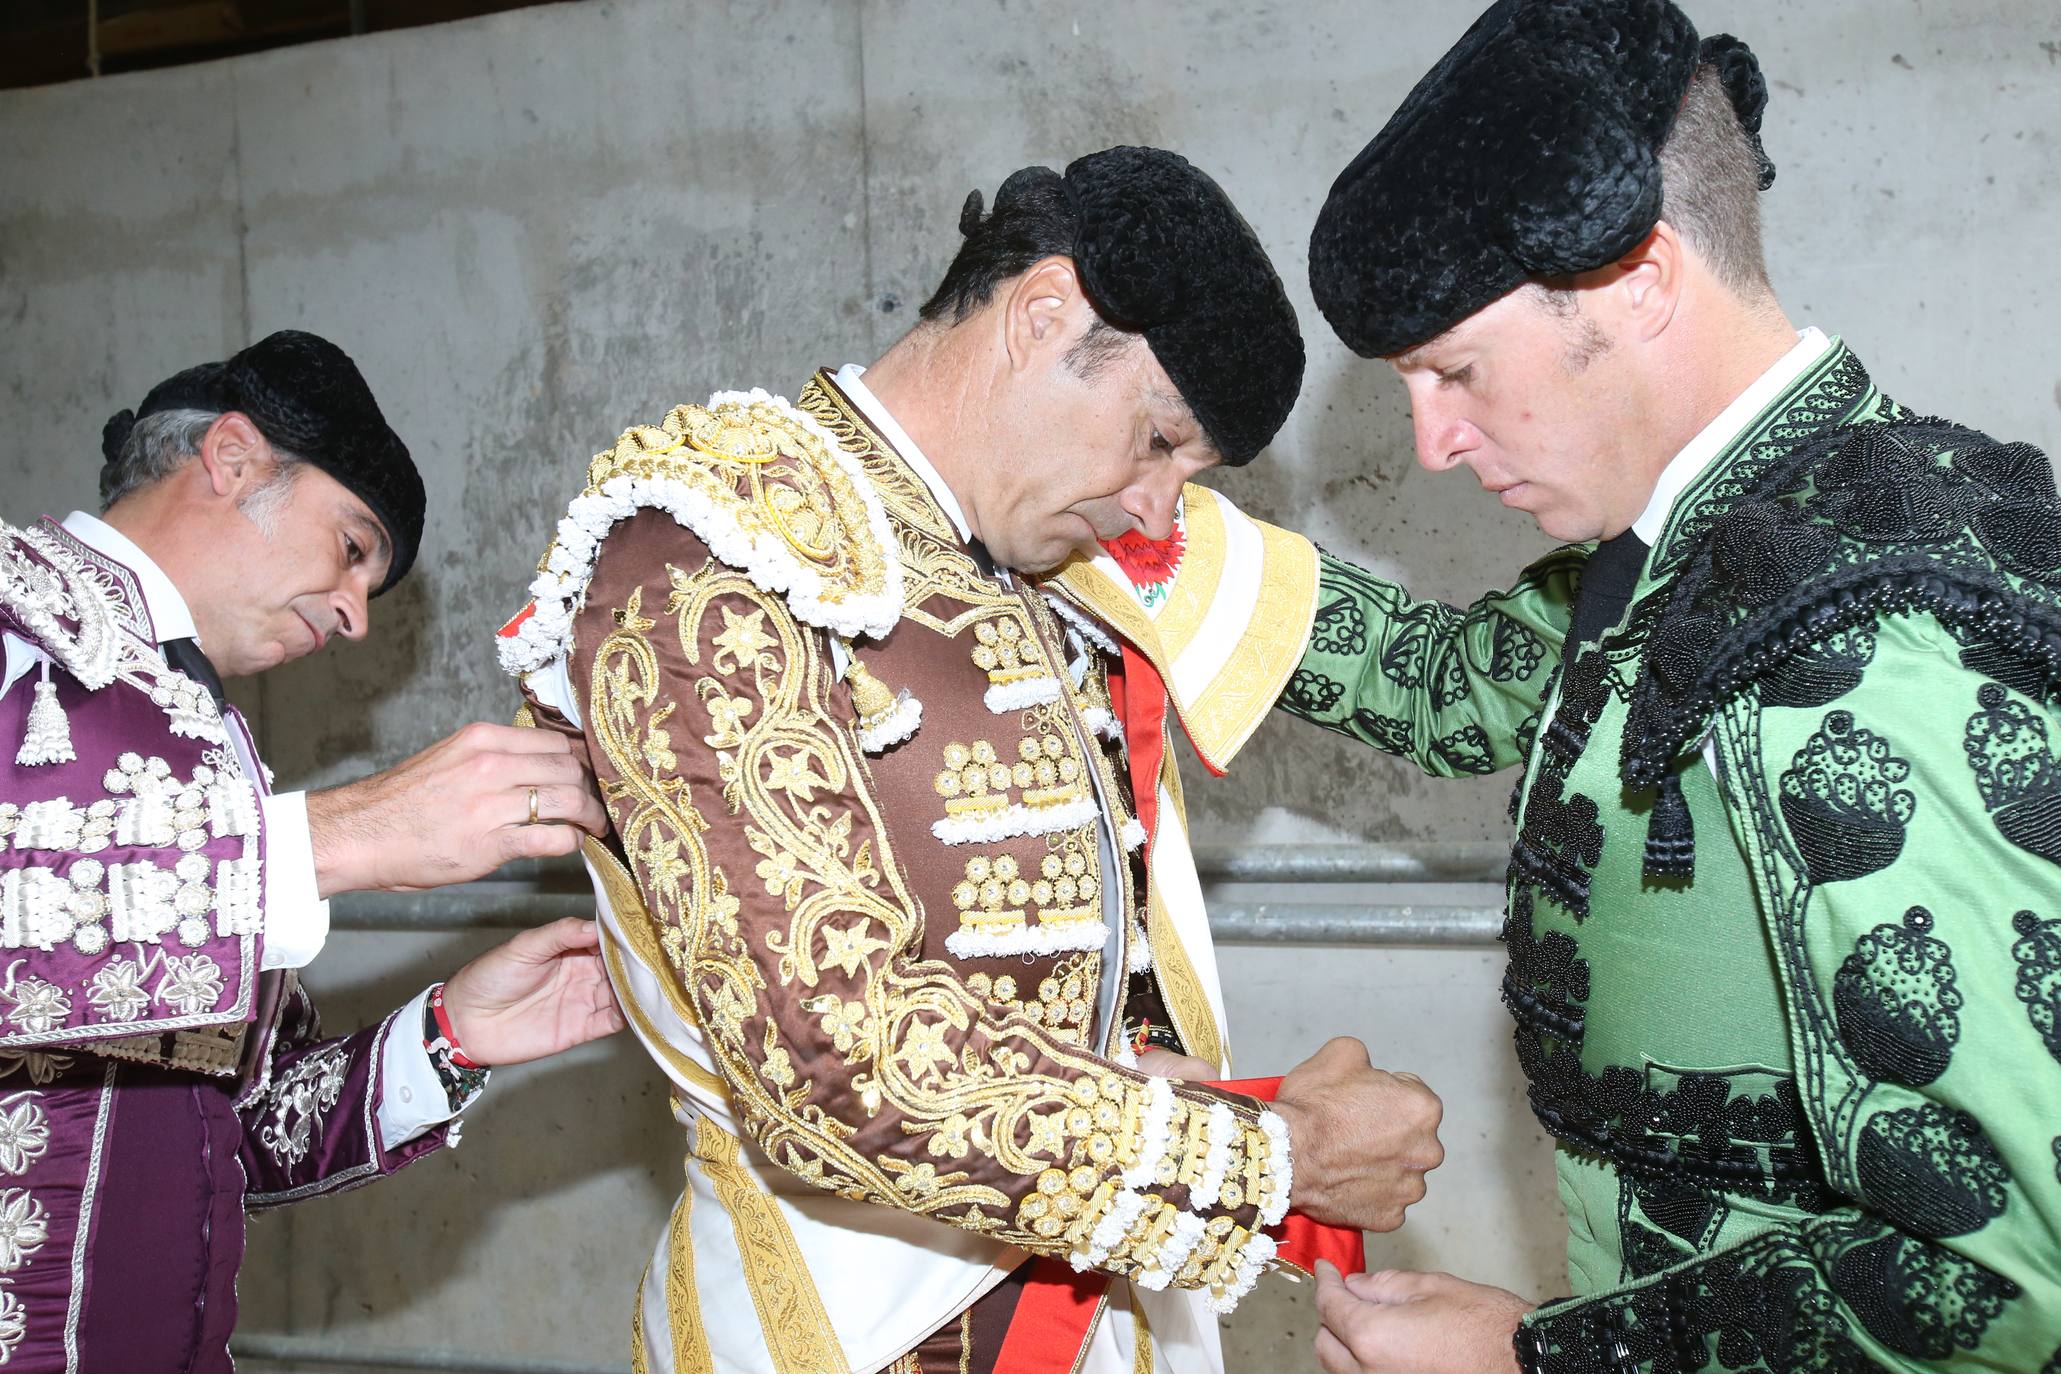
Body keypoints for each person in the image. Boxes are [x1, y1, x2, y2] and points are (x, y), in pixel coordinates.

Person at [500, 146, 1445, 1374]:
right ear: (1044, 313)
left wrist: (1231, 1110)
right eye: (1156, 439)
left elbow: (1068, 986)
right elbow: (832, 1066)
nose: (1159, 511)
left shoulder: (1043, 562)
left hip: (1097, 1299)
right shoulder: (709, 547)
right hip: (843, 1326)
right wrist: (1276, 1160)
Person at [1272, 1, 2061, 1369]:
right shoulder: (1702, 538)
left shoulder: (1866, 641)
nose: (1436, 444)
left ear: (1640, 280)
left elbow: (2008, 1272)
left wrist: (1543, 1358)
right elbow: (1452, 682)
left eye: (1456, 371)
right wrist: (1145, 544)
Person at [0, 329, 623, 1372]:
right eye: (351, 548)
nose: (352, 619)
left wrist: (452, 1032)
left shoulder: (212, 741)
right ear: (233, 459)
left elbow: (238, 1136)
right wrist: (344, 836)